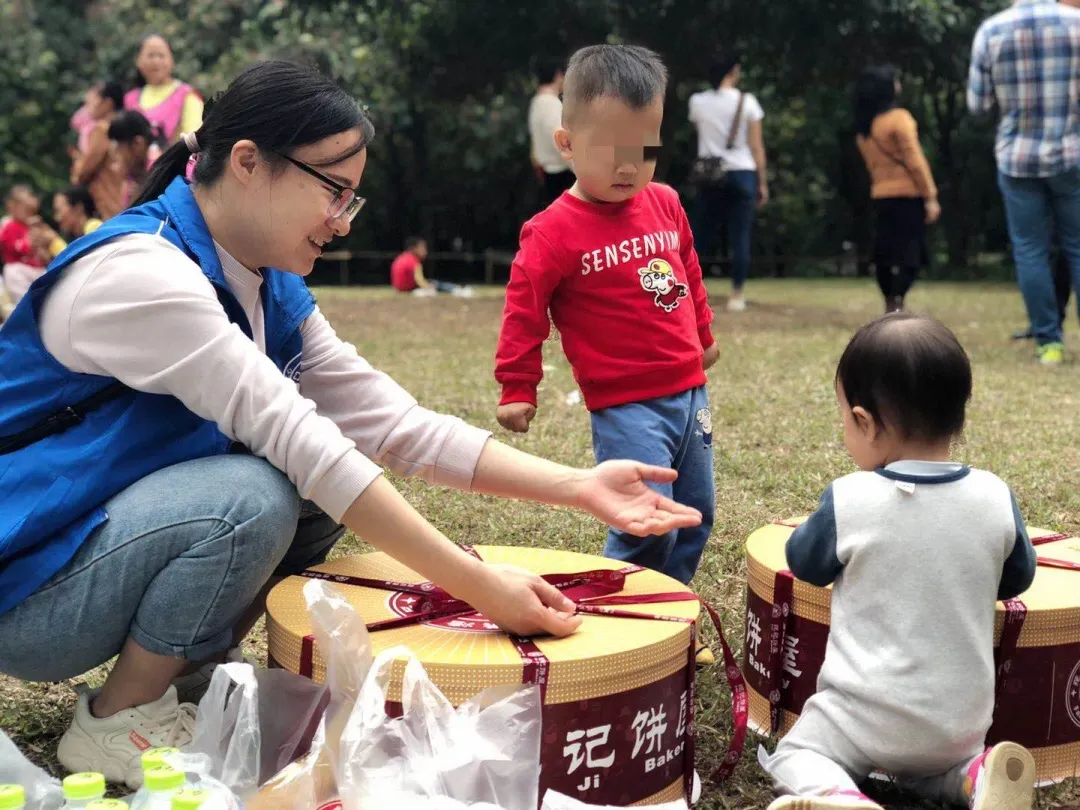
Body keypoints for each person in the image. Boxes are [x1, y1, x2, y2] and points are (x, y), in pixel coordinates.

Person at [0, 60, 702, 790]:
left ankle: (179, 689)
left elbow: (395, 426)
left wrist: (580, 486)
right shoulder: (146, 275)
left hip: (91, 553)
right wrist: (480, 586)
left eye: (351, 197)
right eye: (333, 190)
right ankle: (118, 719)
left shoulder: (268, 282)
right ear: (248, 163)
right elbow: (311, 449)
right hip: (26, 592)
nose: (342, 218)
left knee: (288, 495)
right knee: (258, 492)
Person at [760, 313, 1037, 810]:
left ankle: (838, 793)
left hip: (862, 716)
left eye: (844, 417)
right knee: (932, 775)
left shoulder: (849, 499)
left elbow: (804, 561)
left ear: (864, 422)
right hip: (959, 722)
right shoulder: (996, 496)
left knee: (796, 753)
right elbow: (1016, 577)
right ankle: (974, 777)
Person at [494, 44, 717, 598]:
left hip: (691, 394)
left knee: (694, 514)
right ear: (566, 143)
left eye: (644, 150)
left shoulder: (664, 202)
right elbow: (524, 309)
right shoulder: (552, 231)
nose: (628, 166)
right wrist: (517, 385)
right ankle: (620, 611)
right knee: (642, 522)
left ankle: (667, 611)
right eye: (612, 150)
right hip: (626, 405)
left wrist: (704, 337)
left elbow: (687, 272)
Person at [968, 0, 1080, 367]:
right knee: (1078, 246)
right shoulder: (1076, 23)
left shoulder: (992, 30)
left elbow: (978, 105)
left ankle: (1050, 343)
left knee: (1030, 250)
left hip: (1017, 158)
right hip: (1073, 154)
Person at [854, 65, 941, 314]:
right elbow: (915, 160)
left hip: (881, 194)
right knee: (913, 252)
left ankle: (889, 300)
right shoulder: (899, 119)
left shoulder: (865, 129)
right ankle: (898, 297)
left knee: (884, 252)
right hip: (908, 194)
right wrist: (930, 196)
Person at [688, 50, 769, 312]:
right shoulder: (748, 102)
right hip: (742, 172)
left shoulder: (698, 101)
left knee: (700, 235)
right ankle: (736, 294)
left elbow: (700, 133)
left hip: (709, 173)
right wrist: (762, 182)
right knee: (740, 235)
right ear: (733, 71)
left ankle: (690, 290)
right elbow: (756, 147)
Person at [124, 33, 204, 145]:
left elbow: (195, 142)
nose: (156, 61)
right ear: (138, 60)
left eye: (161, 55)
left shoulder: (188, 95)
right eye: (150, 55)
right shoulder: (129, 98)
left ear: (172, 60)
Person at [70, 80, 128, 221]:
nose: (88, 109)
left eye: (90, 102)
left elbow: (85, 170)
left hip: (107, 205)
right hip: (125, 201)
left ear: (107, 103)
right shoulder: (125, 128)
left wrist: (77, 168)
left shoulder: (102, 129)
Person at [528, 55, 575, 208]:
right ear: (558, 75)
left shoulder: (536, 102)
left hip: (548, 177)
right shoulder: (551, 105)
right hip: (563, 178)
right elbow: (564, 146)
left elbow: (534, 153)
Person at [108, 109, 167, 209]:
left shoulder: (161, 172)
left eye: (119, 147)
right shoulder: (134, 177)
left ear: (137, 144)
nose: (115, 155)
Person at [0, 185, 46, 308]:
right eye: (25, 207)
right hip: (18, 270)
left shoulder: (31, 226)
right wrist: (30, 242)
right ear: (11, 207)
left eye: (32, 209)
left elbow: (44, 255)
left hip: (36, 269)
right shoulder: (9, 226)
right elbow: (15, 246)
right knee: (12, 271)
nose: (29, 212)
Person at [31, 186, 104, 263]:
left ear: (78, 208)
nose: (57, 218)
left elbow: (83, 264)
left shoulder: (94, 226)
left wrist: (54, 242)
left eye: (58, 211)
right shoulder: (73, 236)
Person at [390, 236, 473, 296]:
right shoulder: (414, 262)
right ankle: (458, 290)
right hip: (409, 289)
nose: (425, 251)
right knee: (435, 283)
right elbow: (419, 280)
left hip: (399, 289)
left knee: (432, 283)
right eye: (422, 248)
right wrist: (428, 286)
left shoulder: (401, 258)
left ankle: (457, 289)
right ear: (413, 249)